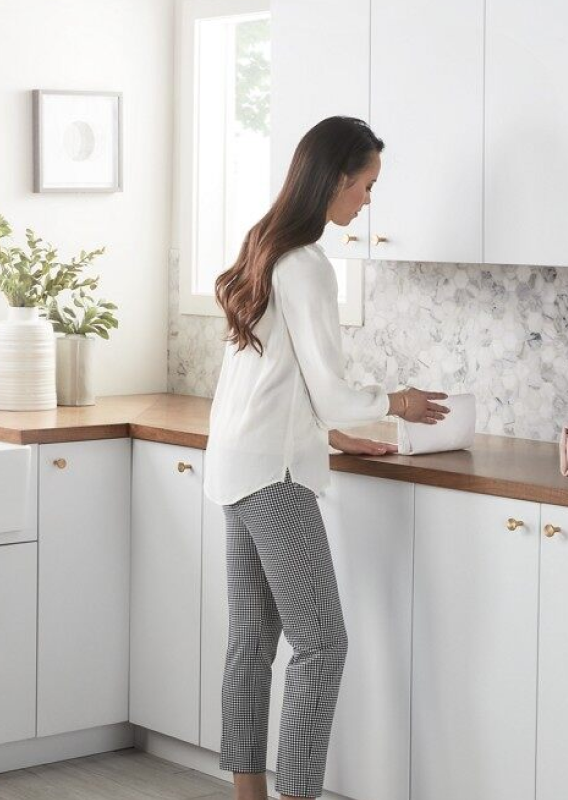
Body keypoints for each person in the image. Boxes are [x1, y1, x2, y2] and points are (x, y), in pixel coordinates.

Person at [204, 116, 449, 800]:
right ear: (336, 178)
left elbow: (271, 378)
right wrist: (394, 402)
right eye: (366, 184)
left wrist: (333, 436)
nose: (368, 200)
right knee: (323, 643)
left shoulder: (265, 245)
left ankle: (248, 793)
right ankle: (299, 795)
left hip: (234, 461)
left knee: (252, 640)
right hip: (273, 476)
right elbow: (335, 390)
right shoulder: (308, 263)